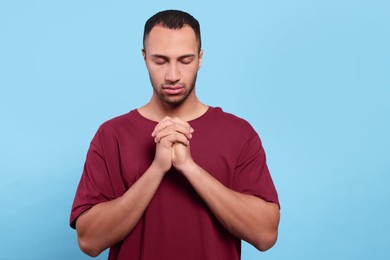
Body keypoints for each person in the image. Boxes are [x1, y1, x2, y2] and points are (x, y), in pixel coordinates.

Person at [70, 9, 280, 260]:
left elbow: (265, 235)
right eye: (160, 61)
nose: (172, 75)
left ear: (200, 58)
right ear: (144, 57)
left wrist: (189, 167)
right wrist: (157, 169)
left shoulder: (238, 133)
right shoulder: (111, 135)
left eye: (185, 60)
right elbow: (89, 242)